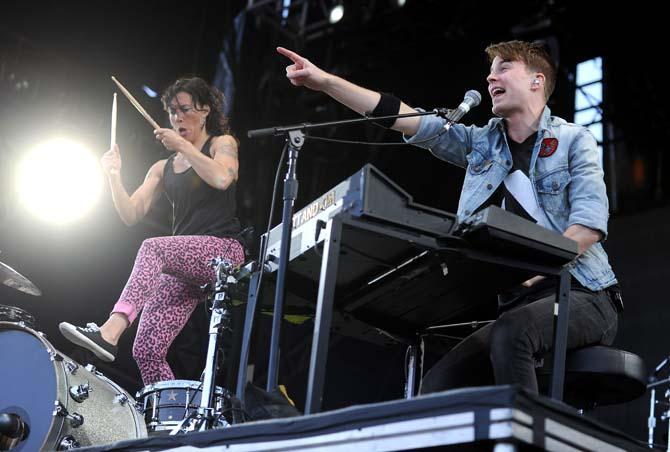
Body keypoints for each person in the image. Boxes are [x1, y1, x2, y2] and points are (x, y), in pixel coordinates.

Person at [276, 41, 621, 394]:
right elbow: (407, 119)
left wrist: (532, 273)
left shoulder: (574, 139)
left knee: (512, 333)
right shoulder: (481, 144)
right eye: (491, 70)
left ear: (537, 80)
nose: (490, 77)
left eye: (504, 67)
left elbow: (587, 227)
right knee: (436, 386)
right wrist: (326, 82)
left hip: (584, 294)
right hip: (517, 309)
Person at [59, 77, 245, 385]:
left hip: (223, 251)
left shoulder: (222, 143)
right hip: (184, 265)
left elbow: (222, 178)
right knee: (146, 349)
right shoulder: (162, 167)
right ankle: (167, 422)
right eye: (172, 111)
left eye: (185, 109)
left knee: (153, 247)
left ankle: (110, 330)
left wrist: (184, 145)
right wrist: (114, 177)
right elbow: (131, 214)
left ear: (205, 110)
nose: (177, 117)